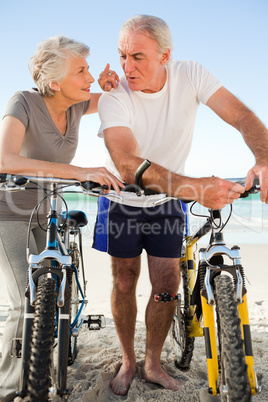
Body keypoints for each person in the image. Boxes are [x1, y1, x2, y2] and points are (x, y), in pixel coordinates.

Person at [94, 14, 268, 396]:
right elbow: (126, 163)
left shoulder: (191, 75)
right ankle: (127, 360)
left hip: (167, 200)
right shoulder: (115, 96)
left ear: (166, 55)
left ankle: (153, 362)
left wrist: (264, 157)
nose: (126, 67)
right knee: (124, 282)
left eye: (138, 56)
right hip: (121, 198)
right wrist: (193, 187)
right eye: (122, 55)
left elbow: (241, 115)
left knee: (168, 283)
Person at [0, 35, 122, 401]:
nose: (89, 76)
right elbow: (5, 160)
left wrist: (111, 87)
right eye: (81, 70)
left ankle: (44, 364)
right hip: (10, 210)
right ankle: (7, 390)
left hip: (48, 208)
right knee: (24, 302)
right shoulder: (23, 102)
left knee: (50, 298)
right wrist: (80, 171)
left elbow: (120, 102)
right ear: (54, 83)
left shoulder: (76, 105)